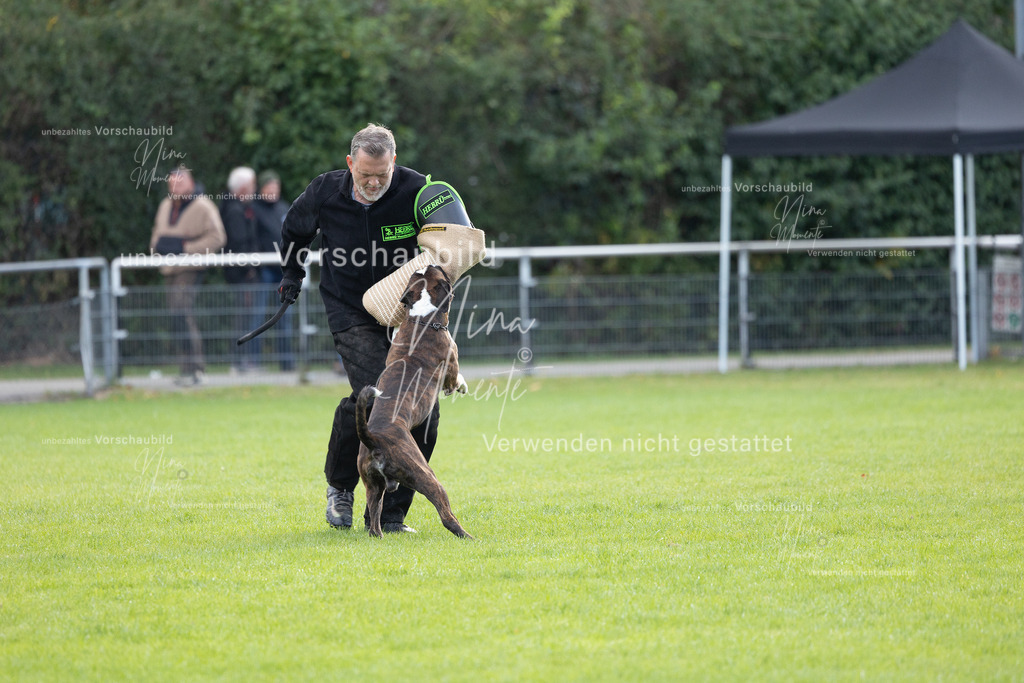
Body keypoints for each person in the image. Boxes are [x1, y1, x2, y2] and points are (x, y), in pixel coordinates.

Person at [278, 123, 435, 533]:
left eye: (382, 175)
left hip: (405, 315)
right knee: (376, 398)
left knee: (425, 412)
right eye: (365, 174)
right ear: (351, 163)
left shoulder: (417, 190)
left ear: (393, 162)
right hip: (349, 309)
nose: (373, 182)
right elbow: (295, 230)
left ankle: (391, 516)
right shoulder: (325, 191)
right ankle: (341, 486)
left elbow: (453, 236)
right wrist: (292, 275)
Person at [149, 166, 226, 386]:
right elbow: (156, 234)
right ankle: (185, 367)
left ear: (191, 184)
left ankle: (197, 368)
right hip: (169, 268)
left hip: (190, 268)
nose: (175, 186)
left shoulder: (203, 206)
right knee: (175, 317)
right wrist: (159, 249)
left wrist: (186, 248)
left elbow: (217, 237)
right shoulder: (165, 205)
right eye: (172, 182)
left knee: (182, 312)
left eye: (180, 182)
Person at [253, 170, 295, 370]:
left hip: (283, 271)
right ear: (261, 189)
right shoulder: (253, 209)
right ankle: (252, 362)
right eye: (269, 187)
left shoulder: (284, 208)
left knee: (285, 317)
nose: (273, 190)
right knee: (258, 315)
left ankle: (287, 363)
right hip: (263, 271)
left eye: (275, 187)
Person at [220, 166, 260, 372]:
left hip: (240, 274)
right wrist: (249, 269)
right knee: (242, 319)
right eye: (252, 185)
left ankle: (241, 361)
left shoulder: (235, 207)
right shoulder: (235, 210)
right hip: (241, 276)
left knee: (243, 318)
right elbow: (239, 242)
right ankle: (239, 362)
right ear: (243, 187)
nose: (255, 189)